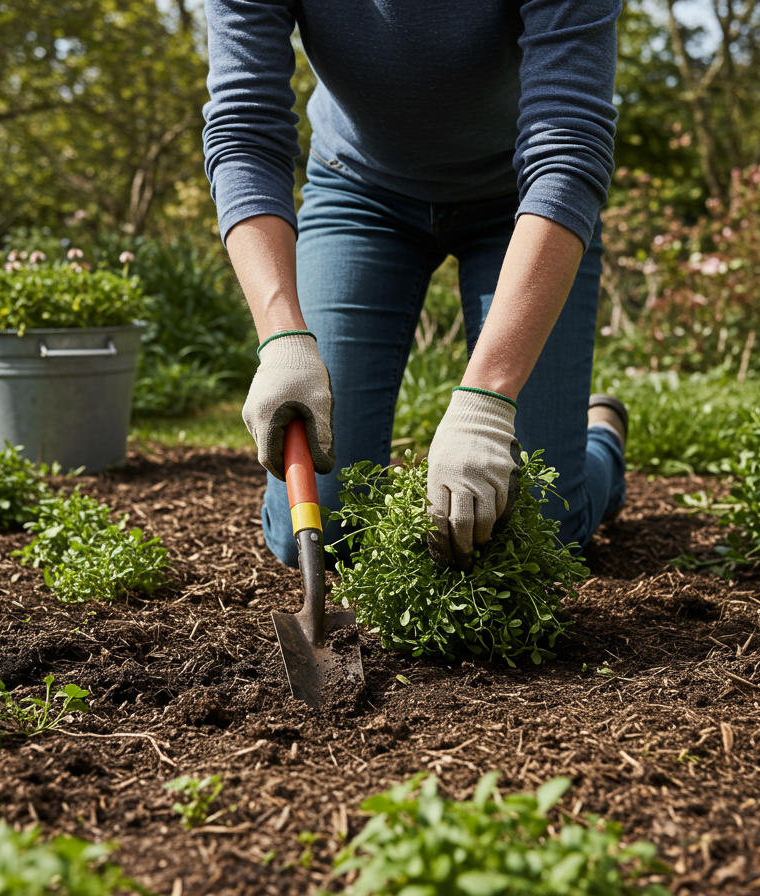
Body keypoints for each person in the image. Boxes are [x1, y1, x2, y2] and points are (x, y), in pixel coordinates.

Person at [203, 0, 628, 570]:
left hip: (524, 201)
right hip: (359, 191)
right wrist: (281, 338)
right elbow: (243, 130)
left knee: (542, 530)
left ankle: (602, 439)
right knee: (320, 533)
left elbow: (569, 147)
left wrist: (486, 402)